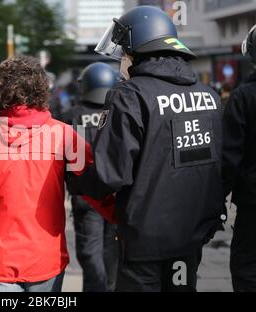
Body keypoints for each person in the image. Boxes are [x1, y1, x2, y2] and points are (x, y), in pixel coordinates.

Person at [83, 6, 225, 292]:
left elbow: (109, 174)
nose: (122, 60)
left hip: (144, 243)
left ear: (137, 50)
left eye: (123, 52)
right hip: (189, 239)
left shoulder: (130, 96)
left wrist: (79, 178)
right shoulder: (209, 96)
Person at [0, 55, 92, 292]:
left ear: (1, 90)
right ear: (41, 89)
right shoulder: (65, 135)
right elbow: (96, 184)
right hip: (45, 257)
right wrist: (120, 221)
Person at [64, 62, 120, 292]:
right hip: (116, 195)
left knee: (91, 256)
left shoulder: (71, 116)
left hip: (85, 199)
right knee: (111, 258)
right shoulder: (121, 112)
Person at [223, 25, 256, 292]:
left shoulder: (243, 97)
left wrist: (213, 206)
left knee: (247, 272)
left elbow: (228, 158)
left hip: (252, 206)